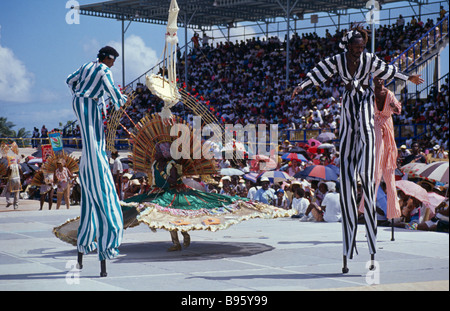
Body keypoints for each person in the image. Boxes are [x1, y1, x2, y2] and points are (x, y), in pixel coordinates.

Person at [292, 26, 424, 273]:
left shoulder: (369, 61)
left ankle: (370, 212)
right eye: (356, 46)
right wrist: (303, 85)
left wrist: (409, 78)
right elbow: (319, 72)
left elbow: (390, 69)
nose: (359, 50)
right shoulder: (339, 61)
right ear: (348, 45)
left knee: (365, 136)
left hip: (363, 105)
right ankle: (348, 240)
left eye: (362, 46)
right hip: (348, 107)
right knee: (348, 163)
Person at [66, 45, 129, 277]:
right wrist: (120, 100)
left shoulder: (85, 66)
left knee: (93, 137)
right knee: (93, 141)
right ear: (108, 58)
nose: (113, 65)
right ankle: (106, 244)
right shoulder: (103, 70)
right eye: (113, 61)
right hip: (88, 104)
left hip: (80, 101)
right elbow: (114, 93)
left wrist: (81, 92)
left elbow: (69, 80)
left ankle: (84, 251)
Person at [358, 76, 402, 220]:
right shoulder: (369, 94)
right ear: (374, 80)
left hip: (388, 126)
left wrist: (394, 107)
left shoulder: (389, 94)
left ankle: (394, 212)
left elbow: (398, 109)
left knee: (389, 173)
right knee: (376, 171)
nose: (380, 81)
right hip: (375, 124)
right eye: (377, 79)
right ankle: (366, 206)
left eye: (382, 79)